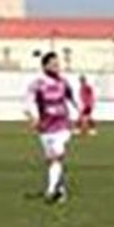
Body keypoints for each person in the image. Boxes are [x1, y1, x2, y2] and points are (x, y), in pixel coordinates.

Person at [25, 53, 78, 202]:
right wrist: (33, 117)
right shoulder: (37, 84)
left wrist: (79, 115)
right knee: (52, 160)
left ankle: (50, 190)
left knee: (57, 155)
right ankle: (60, 190)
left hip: (63, 126)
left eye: (58, 64)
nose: (57, 67)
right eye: (53, 64)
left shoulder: (63, 82)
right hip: (45, 127)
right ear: (45, 66)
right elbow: (28, 102)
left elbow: (72, 99)